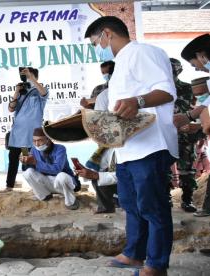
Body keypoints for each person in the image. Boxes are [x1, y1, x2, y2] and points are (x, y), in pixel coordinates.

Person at [85, 16, 178, 275]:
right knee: (130, 203)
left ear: (106, 34)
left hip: (150, 146)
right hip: (127, 148)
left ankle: (157, 264)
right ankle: (134, 253)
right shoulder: (120, 64)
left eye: (96, 43)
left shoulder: (143, 52)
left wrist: (137, 100)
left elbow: (167, 91)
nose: (98, 48)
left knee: (153, 206)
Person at [169, 58, 204, 213]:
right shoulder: (157, 91)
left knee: (187, 169)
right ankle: (166, 198)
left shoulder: (190, 89)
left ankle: (187, 200)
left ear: (179, 71)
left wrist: (196, 128)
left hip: (186, 136)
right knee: (163, 169)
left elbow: (202, 111)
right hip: (165, 137)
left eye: (173, 69)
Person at [5, 67, 48, 192]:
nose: (26, 77)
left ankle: (35, 187)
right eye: (24, 75)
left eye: (28, 74)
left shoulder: (39, 91)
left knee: (29, 160)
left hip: (31, 136)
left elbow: (44, 93)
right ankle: (9, 186)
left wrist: (32, 78)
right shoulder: (21, 91)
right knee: (13, 160)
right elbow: (11, 108)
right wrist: (16, 93)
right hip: (17, 134)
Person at [21, 128, 79, 209]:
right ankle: (45, 195)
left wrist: (35, 162)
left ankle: (70, 201)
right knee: (28, 172)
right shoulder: (34, 149)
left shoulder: (60, 149)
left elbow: (57, 169)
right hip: (47, 183)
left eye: (40, 140)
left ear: (48, 139)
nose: (37, 144)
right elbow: (29, 168)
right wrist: (25, 161)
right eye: (34, 141)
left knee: (62, 176)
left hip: (62, 184)